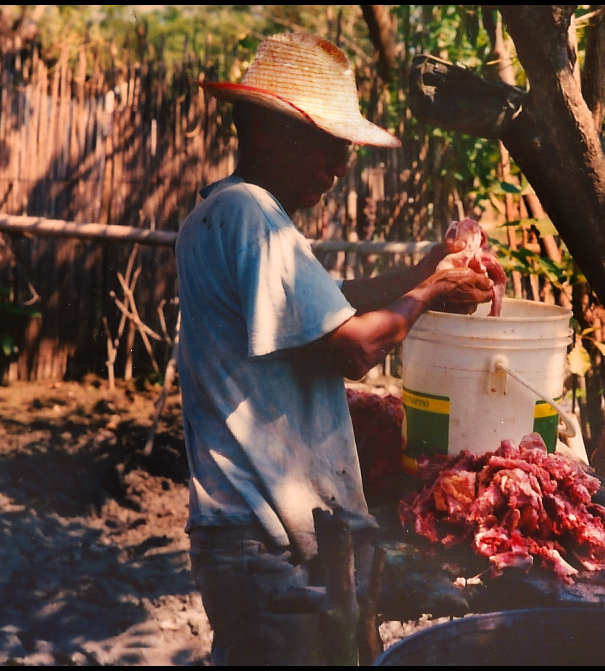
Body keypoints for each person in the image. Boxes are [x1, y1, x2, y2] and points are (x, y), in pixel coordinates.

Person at [175, 33, 494, 665]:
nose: (341, 163)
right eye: (326, 143)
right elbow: (350, 348)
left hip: (255, 537)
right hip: (261, 537)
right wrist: (429, 293)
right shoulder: (251, 216)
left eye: (344, 147)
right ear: (262, 131)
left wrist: (428, 269)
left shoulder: (223, 211)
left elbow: (332, 301)